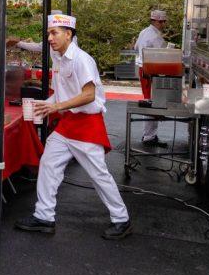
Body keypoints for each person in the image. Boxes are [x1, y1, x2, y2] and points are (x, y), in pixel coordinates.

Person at [15, 14, 131, 239]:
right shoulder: (58, 57)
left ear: (69, 34)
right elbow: (63, 93)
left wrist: (56, 106)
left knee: (99, 175)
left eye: (54, 33)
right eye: (49, 33)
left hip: (86, 124)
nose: (49, 38)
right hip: (69, 124)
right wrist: (46, 105)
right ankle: (44, 216)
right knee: (49, 164)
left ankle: (122, 219)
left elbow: (88, 95)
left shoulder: (81, 59)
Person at [135, 9, 168, 146]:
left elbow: (136, 47)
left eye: (164, 22)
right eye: (161, 22)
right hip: (150, 71)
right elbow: (163, 54)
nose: (163, 24)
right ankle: (149, 136)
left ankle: (149, 135)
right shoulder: (155, 37)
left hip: (143, 69)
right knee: (152, 102)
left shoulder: (144, 32)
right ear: (154, 21)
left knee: (150, 100)